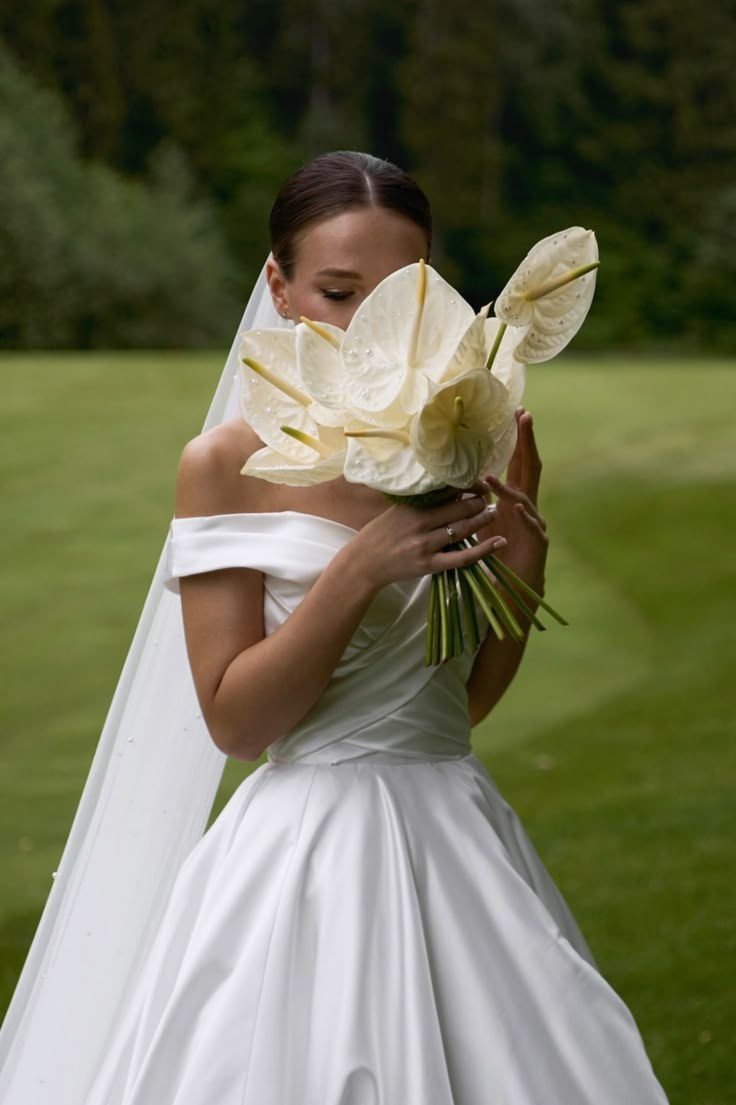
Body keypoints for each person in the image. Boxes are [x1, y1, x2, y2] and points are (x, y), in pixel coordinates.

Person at [1, 151, 670, 1105]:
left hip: (457, 839)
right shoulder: (223, 463)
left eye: (400, 294)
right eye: (338, 292)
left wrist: (523, 567)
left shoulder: (461, 439)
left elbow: (457, 704)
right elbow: (237, 723)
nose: (368, 328)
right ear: (279, 286)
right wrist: (360, 569)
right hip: (305, 862)